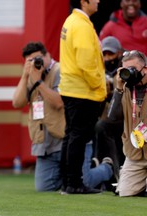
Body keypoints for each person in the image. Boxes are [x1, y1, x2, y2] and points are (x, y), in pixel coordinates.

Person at [59, 0, 107, 194]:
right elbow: (86, 62)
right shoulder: (80, 25)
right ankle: (75, 184)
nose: (98, 0)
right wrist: (99, 84)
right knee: (77, 137)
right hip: (83, 91)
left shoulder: (72, 21)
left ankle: (68, 182)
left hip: (71, 90)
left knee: (71, 136)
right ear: (83, 1)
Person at [12, 42, 65, 192]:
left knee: (78, 182)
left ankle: (104, 168)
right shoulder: (32, 74)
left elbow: (58, 102)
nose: (35, 63)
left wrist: (38, 82)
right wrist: (25, 76)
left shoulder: (59, 70)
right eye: (30, 60)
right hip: (43, 145)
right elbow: (17, 102)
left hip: (62, 140)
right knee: (44, 188)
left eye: (37, 58)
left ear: (47, 55)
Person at [108, 50, 147, 197]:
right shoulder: (124, 89)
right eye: (126, 69)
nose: (129, 73)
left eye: (133, 69)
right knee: (124, 192)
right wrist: (118, 89)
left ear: (145, 69)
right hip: (135, 153)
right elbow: (112, 118)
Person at [93, 36, 125, 187]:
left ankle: (119, 175)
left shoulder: (126, 70)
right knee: (99, 126)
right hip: (107, 119)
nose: (107, 58)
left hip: (127, 118)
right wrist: (102, 94)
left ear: (119, 53)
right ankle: (105, 174)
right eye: (104, 54)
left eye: (110, 54)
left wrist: (113, 93)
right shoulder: (97, 70)